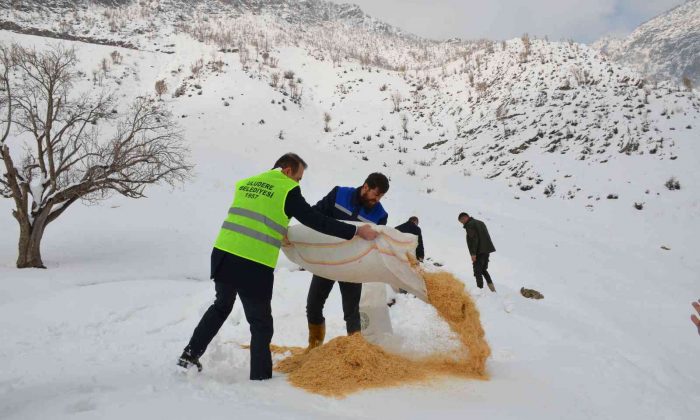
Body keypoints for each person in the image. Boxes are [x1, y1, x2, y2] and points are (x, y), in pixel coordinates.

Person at [177, 153, 378, 380]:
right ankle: (260, 379)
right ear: (287, 170)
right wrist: (355, 231)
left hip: (223, 254)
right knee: (261, 323)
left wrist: (280, 229)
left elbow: (256, 215)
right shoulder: (287, 189)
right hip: (253, 262)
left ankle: (189, 355)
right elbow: (314, 219)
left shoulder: (247, 183)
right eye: (299, 178)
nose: (298, 183)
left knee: (221, 307)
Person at [306, 173, 390, 349]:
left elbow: (376, 244)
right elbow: (314, 216)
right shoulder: (339, 194)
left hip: (353, 266)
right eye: (376, 195)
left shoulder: (380, 214)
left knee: (351, 312)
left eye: (381, 196)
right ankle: (314, 346)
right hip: (328, 261)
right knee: (313, 305)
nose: (378, 200)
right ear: (365, 187)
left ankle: (355, 351)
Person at [458, 212, 496, 292]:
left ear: (465, 218)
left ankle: (480, 291)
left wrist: (473, 254)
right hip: (486, 250)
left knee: (477, 271)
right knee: (483, 270)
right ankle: (492, 290)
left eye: (461, 221)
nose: (462, 223)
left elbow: (474, 240)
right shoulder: (480, 222)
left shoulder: (470, 225)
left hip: (479, 251)